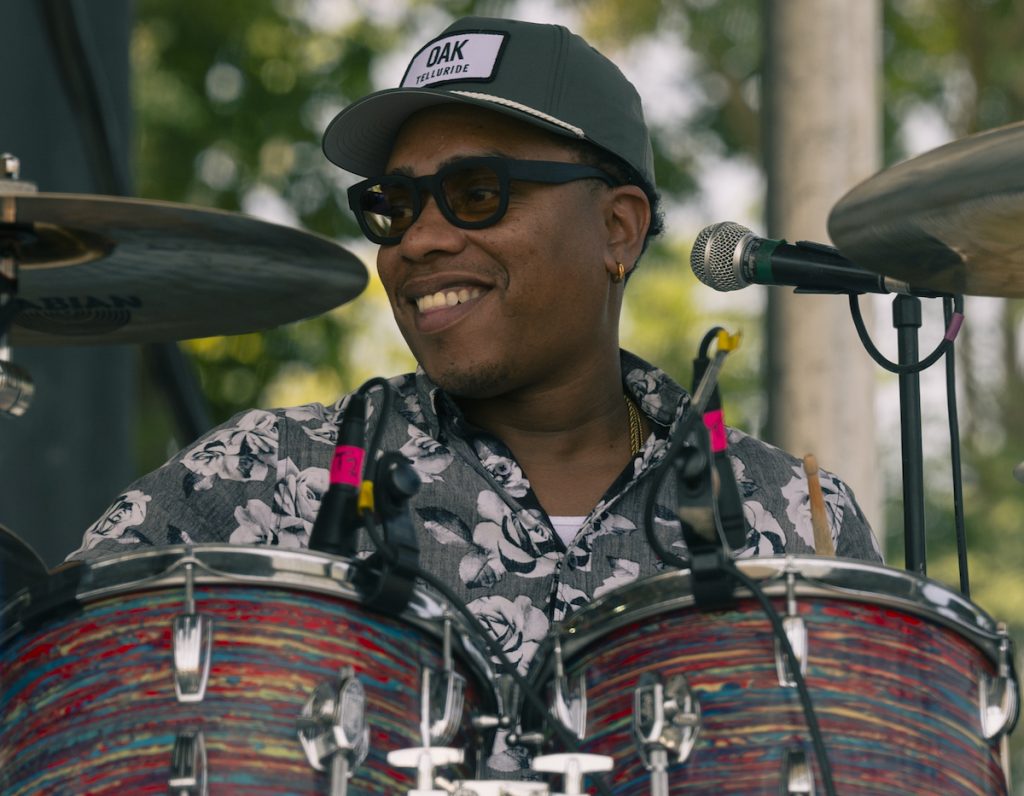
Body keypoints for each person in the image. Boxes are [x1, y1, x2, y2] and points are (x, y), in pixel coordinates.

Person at [69, 14, 880, 772]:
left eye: (478, 193)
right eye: (392, 207)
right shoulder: (265, 476)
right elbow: (59, 694)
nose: (417, 240)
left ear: (618, 229)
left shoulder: (790, 516)